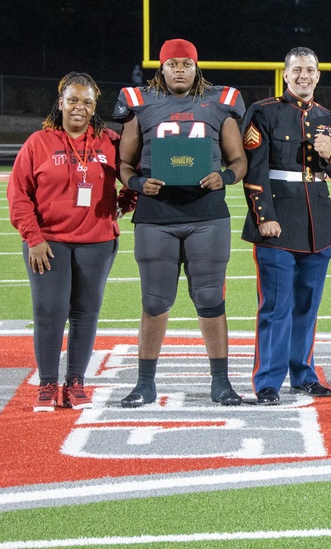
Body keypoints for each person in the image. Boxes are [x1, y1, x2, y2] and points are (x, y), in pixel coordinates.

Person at [114, 38, 247, 408]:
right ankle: (145, 383)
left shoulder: (220, 103)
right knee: (155, 301)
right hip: (156, 216)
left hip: (206, 214)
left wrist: (227, 177)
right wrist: (139, 183)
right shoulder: (141, 104)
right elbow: (123, 165)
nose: (179, 70)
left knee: (209, 298)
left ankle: (220, 382)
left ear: (196, 67)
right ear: (162, 68)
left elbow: (238, 160)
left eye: (186, 64)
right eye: (172, 64)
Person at [8, 73, 135, 412]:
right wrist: (33, 239)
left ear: (96, 106)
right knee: (49, 312)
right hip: (48, 242)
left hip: (98, 241)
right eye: (74, 100)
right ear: (61, 101)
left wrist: (127, 200)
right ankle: (48, 383)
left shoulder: (110, 140)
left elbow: (134, 171)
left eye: (88, 102)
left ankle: (76, 381)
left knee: (85, 313)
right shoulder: (39, 142)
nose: (80, 107)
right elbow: (19, 195)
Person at [240, 47, 331, 405]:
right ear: (286, 75)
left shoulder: (328, 119)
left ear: (318, 76)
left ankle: (303, 373)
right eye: (297, 70)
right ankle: (267, 380)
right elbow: (255, 172)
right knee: (275, 306)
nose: (304, 76)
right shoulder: (264, 112)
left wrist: (328, 153)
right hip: (278, 226)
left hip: (318, 225)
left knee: (307, 306)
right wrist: (264, 217)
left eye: (311, 70)